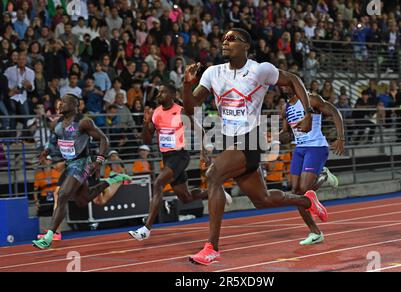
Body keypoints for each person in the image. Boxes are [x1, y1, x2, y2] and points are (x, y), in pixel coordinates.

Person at [183, 28, 327, 265]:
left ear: (246, 46)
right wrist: (188, 86)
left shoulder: (260, 70)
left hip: (250, 139)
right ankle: (307, 201)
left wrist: (308, 113)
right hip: (229, 141)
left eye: (232, 39)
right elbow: (190, 108)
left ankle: (212, 247)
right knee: (263, 200)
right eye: (224, 39)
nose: (225, 42)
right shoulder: (212, 73)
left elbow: (293, 79)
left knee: (214, 174)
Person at [128, 83, 232, 241]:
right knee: (186, 198)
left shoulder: (180, 110)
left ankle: (146, 229)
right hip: (167, 158)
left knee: (158, 184)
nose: (159, 95)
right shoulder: (156, 113)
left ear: (172, 95)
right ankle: (218, 192)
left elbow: (199, 130)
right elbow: (147, 140)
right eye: (158, 92)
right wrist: (145, 122)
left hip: (180, 156)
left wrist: (204, 152)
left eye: (162, 92)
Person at [32, 94, 131, 249]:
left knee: (63, 194)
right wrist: (46, 151)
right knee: (82, 201)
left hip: (83, 163)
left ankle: (50, 236)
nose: (60, 104)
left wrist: (99, 161)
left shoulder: (83, 122)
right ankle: (113, 180)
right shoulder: (57, 124)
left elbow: (104, 139)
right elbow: (53, 140)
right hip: (69, 164)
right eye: (59, 101)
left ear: (75, 105)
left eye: (64, 102)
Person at [280, 91, 344, 245]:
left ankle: (323, 175)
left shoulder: (311, 99)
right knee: (296, 193)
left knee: (303, 189)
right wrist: (274, 137)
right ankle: (315, 232)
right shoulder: (285, 108)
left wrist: (340, 137)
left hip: (316, 147)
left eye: (284, 85)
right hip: (300, 149)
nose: (281, 88)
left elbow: (335, 112)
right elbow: (287, 134)